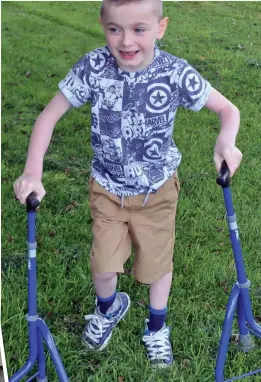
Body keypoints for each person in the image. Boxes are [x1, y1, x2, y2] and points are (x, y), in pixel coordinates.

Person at [14, 0, 242, 368]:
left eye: (139, 29)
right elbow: (48, 116)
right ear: (102, 25)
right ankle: (109, 309)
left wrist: (225, 142)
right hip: (107, 189)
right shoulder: (94, 66)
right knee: (103, 266)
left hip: (158, 192)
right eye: (114, 29)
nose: (125, 41)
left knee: (155, 266)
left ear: (161, 27)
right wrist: (32, 171)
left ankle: (156, 327)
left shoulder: (173, 72)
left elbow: (228, 110)